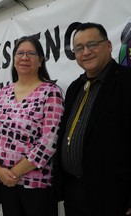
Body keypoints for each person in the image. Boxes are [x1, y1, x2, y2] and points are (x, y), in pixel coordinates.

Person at [55, 22, 131, 216]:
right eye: (79, 48)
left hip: (113, 196)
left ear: (108, 46)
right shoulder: (74, 88)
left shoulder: (126, 82)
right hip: (75, 193)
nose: (86, 52)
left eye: (92, 45)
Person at [0, 36, 64, 216]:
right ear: (13, 59)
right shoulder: (3, 93)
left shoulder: (51, 92)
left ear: (41, 60)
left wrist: (13, 173)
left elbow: (49, 141)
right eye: (20, 53)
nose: (24, 57)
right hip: (4, 183)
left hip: (36, 185)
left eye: (31, 53)